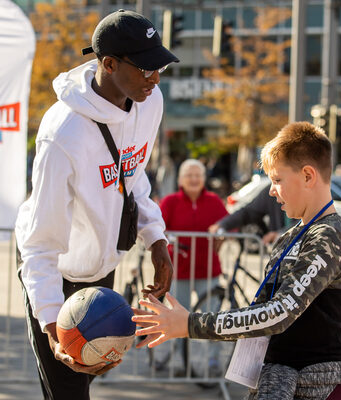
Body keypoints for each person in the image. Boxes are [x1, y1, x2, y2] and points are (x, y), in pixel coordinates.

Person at [133, 122, 341, 399]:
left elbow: (278, 313)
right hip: (280, 380)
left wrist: (190, 324)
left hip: (324, 386)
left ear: (307, 176)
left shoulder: (329, 235)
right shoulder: (288, 236)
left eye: (277, 180)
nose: (271, 191)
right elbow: (264, 311)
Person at [14, 10, 176, 399]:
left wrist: (157, 241)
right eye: (146, 69)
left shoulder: (149, 102)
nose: (155, 79)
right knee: (69, 391)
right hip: (59, 276)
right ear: (108, 64)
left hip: (102, 273)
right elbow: (39, 245)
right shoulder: (64, 134)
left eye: (160, 68)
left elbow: (133, 177)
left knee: (87, 381)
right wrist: (53, 327)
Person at [158, 158, 229, 375]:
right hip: (178, 272)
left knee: (212, 318)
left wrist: (223, 235)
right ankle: (183, 363)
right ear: (181, 179)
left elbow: (227, 226)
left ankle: (213, 361)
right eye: (189, 175)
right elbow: (157, 229)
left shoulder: (214, 201)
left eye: (198, 175)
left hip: (208, 271)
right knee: (179, 320)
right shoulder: (170, 202)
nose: (194, 179)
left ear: (204, 179)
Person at [208, 183, 291, 246]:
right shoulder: (269, 194)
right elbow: (249, 212)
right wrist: (222, 224)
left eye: (277, 180)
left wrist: (282, 234)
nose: (271, 191)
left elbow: (302, 223)